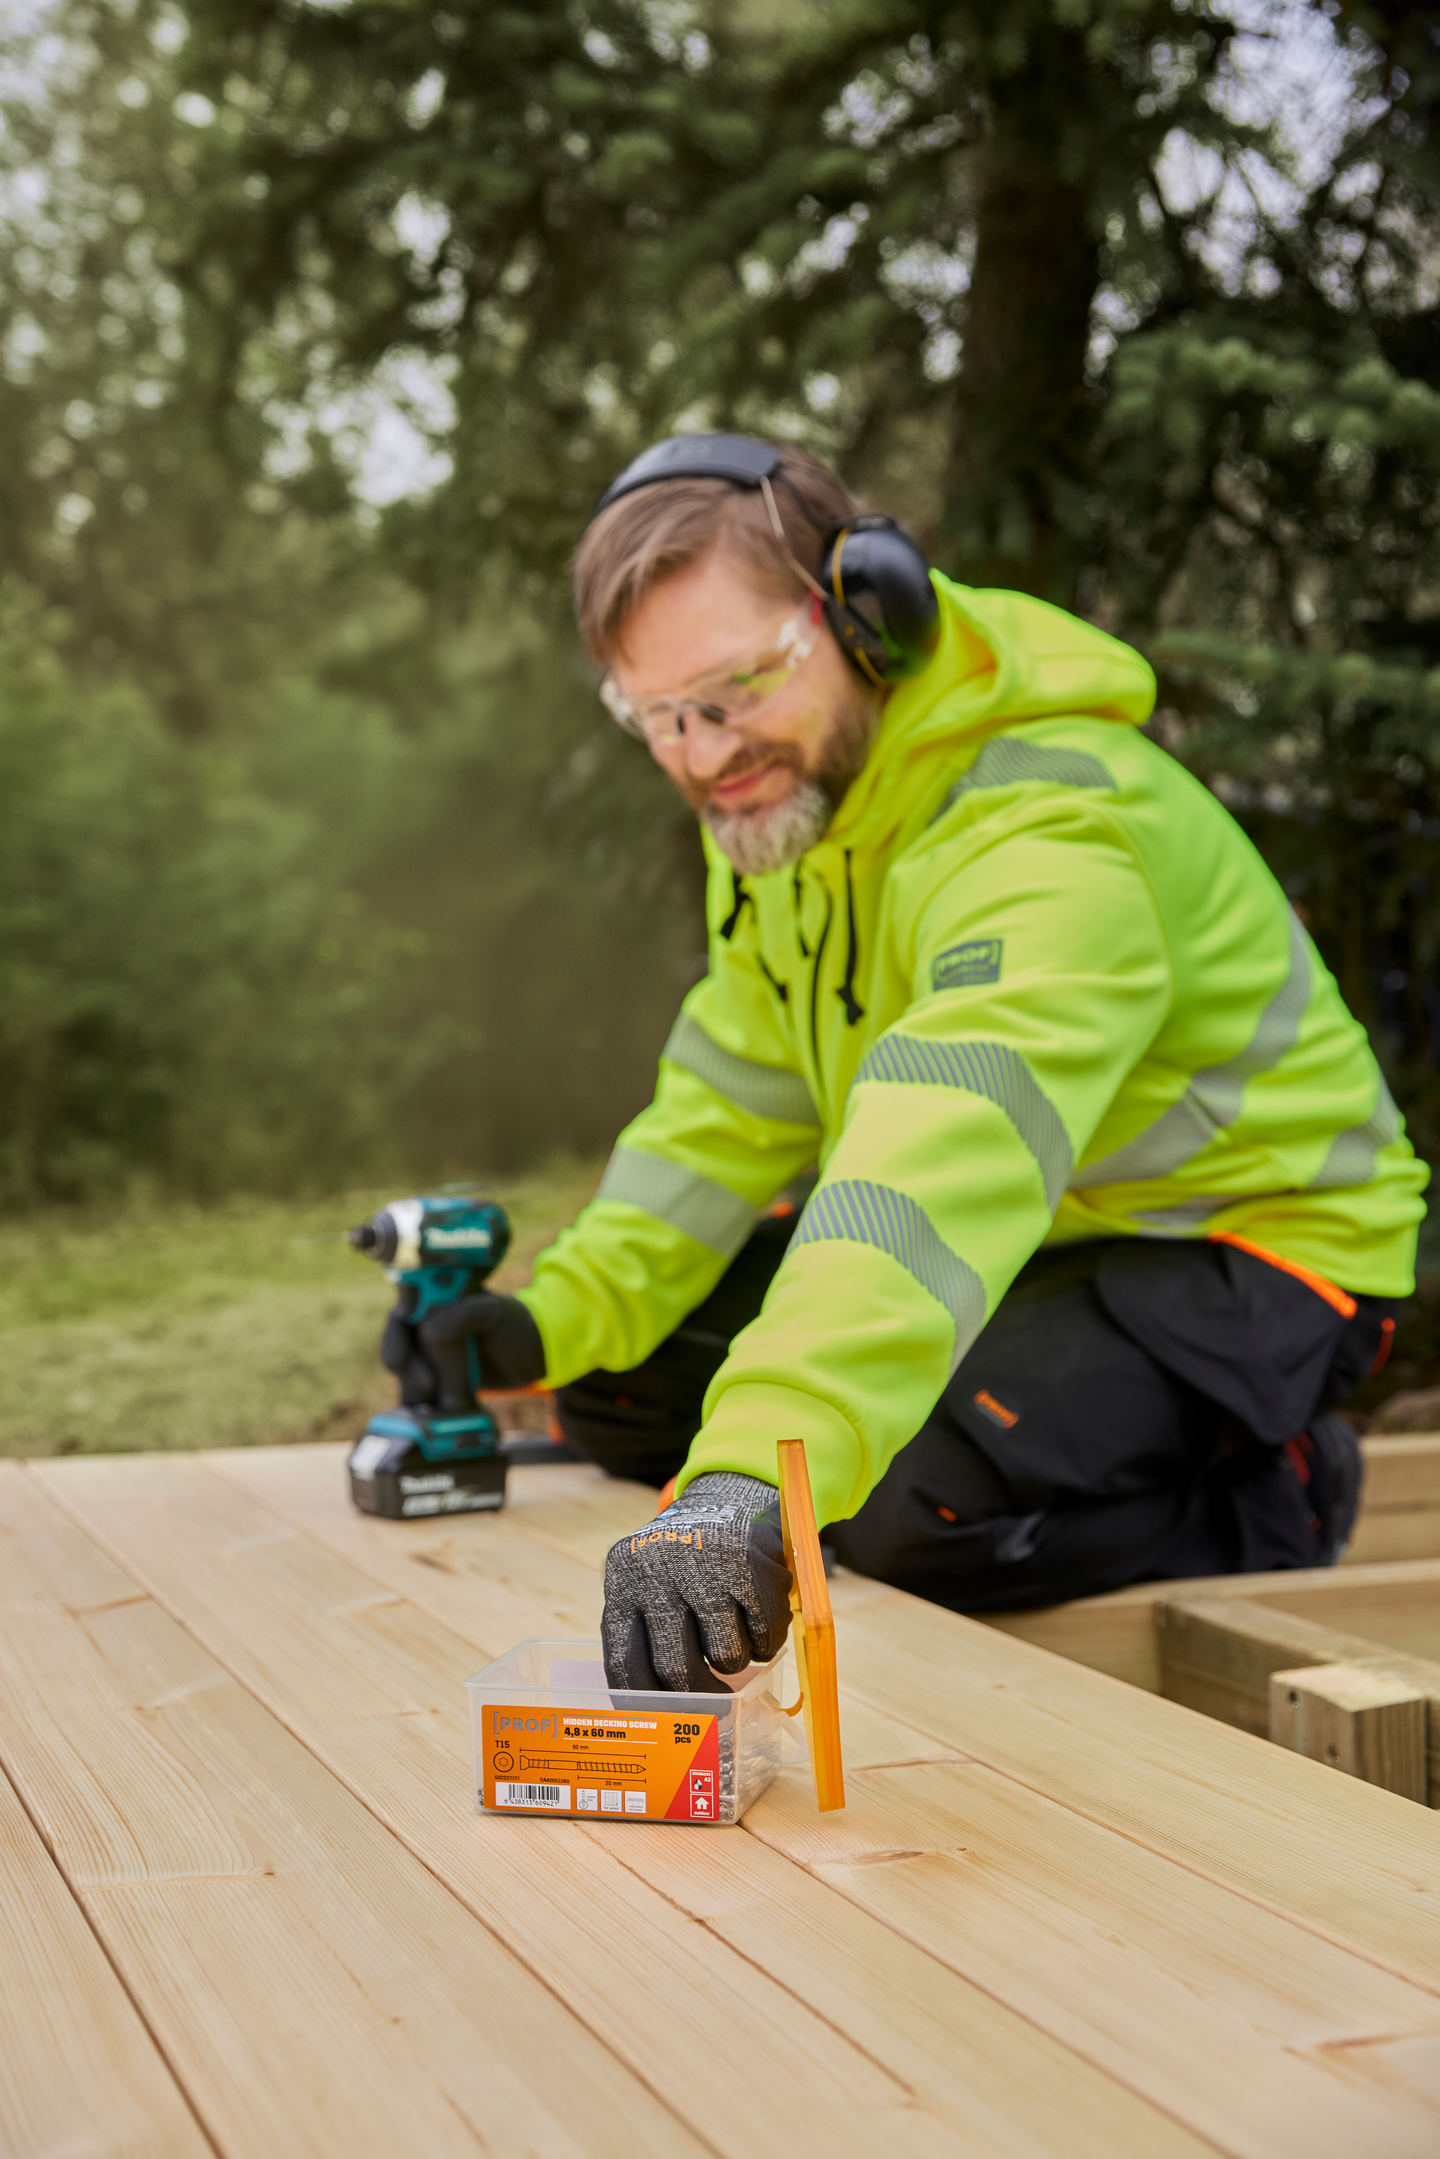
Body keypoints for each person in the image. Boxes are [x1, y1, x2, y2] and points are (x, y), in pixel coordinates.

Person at [386, 434, 1428, 1693]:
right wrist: (553, 1319)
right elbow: (722, 1113)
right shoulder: (792, 818)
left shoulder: (1052, 820)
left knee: (878, 1506)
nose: (706, 753)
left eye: (741, 684)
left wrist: (754, 1475)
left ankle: (1285, 1489)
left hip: (1252, 1248)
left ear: (867, 612)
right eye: (657, 713)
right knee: (618, 1390)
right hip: (1040, 1233)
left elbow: (948, 1148)